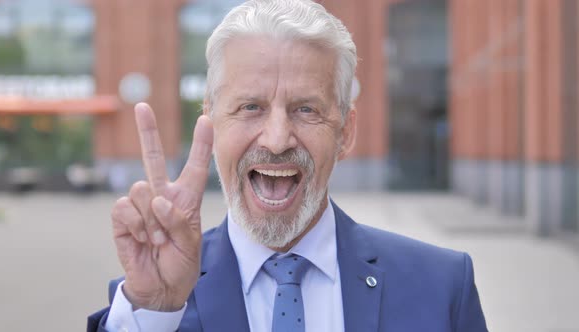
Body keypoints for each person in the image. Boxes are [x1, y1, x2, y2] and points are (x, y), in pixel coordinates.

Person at [88, 0, 488, 331]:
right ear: (211, 125)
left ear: (345, 132)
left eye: (305, 109)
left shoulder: (441, 286)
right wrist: (157, 312)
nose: (277, 139)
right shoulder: (155, 298)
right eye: (250, 107)